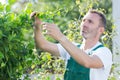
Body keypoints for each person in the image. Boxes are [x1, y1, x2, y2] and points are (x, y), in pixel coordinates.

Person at [30, 9, 112, 80]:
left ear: (100, 30)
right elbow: (42, 45)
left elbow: (88, 62)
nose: (84, 24)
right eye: (83, 20)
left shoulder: (104, 52)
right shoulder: (72, 47)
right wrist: (37, 26)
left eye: (90, 22)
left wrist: (61, 37)